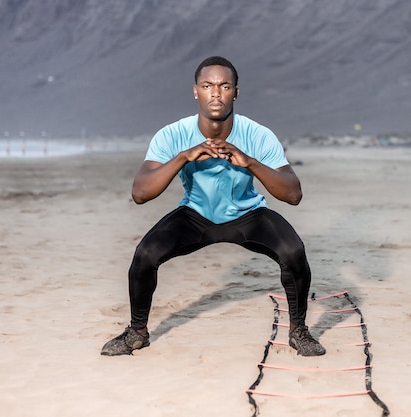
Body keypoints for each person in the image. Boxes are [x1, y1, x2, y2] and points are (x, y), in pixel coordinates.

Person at [101, 56, 325, 357]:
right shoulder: (173, 134)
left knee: (294, 251)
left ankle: (299, 331)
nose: (216, 93)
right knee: (145, 254)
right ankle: (136, 332)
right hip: (195, 215)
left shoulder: (257, 134)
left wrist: (250, 162)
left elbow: (293, 194)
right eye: (207, 85)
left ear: (236, 92)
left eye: (224, 86)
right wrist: (184, 157)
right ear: (196, 91)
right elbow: (140, 193)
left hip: (248, 214)